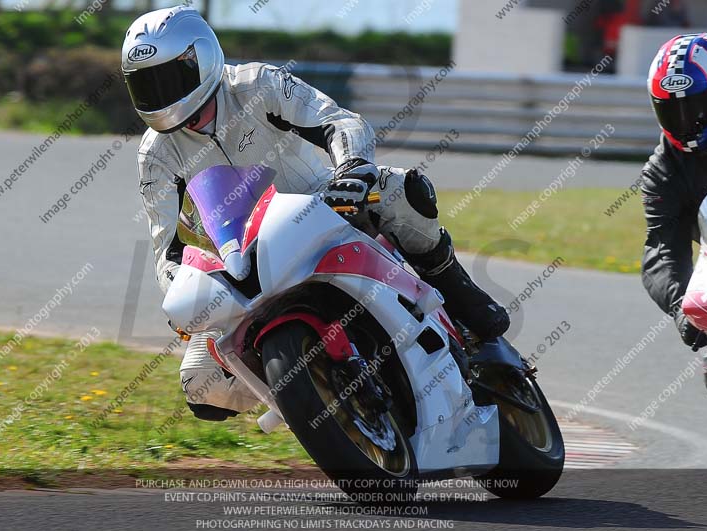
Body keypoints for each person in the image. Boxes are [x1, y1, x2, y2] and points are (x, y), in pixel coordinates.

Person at [121, 6, 510, 421]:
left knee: (400, 191)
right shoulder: (156, 154)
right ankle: (318, 396)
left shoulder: (259, 84)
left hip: (324, 207)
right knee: (201, 383)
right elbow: (168, 250)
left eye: (168, 79)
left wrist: (353, 167)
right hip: (241, 263)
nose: (160, 96)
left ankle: (455, 287)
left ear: (203, 59)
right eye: (147, 86)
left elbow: (338, 122)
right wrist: (185, 298)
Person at [643, 32, 707, 402]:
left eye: (696, 108)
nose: (686, 122)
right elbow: (662, 249)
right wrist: (681, 309)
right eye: (672, 110)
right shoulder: (663, 170)